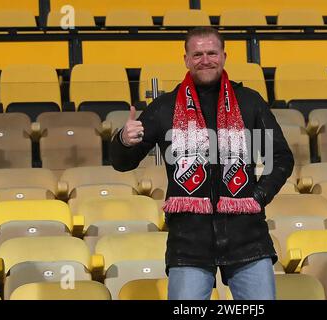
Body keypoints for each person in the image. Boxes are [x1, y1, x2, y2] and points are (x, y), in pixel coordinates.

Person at [110, 26, 294, 300]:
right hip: (189, 242)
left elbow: (280, 158)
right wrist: (124, 139)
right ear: (186, 59)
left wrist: (257, 197)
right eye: (197, 54)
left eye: (211, 53)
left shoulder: (249, 102)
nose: (205, 59)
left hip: (247, 238)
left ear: (223, 56)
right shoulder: (165, 107)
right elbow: (122, 163)